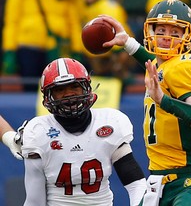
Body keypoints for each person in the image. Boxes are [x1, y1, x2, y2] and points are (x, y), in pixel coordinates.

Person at [101, 0, 191, 205]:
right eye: (161, 31)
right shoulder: (166, 67)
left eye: (175, 33)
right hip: (160, 182)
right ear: (150, 32)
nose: (166, 38)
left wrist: (163, 101)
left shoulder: (187, 66)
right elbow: (159, 70)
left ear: (187, 36)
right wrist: (128, 43)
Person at [18, 57, 146, 205]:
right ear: (48, 96)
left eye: (74, 86)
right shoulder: (38, 131)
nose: (68, 94)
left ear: (86, 87)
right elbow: (35, 201)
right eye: (60, 89)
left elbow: (136, 184)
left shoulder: (110, 122)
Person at [1, 0, 83, 91]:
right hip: (28, 48)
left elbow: (74, 23)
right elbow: (12, 22)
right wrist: (10, 50)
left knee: (56, 87)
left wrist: (77, 49)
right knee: (30, 86)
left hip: (55, 48)